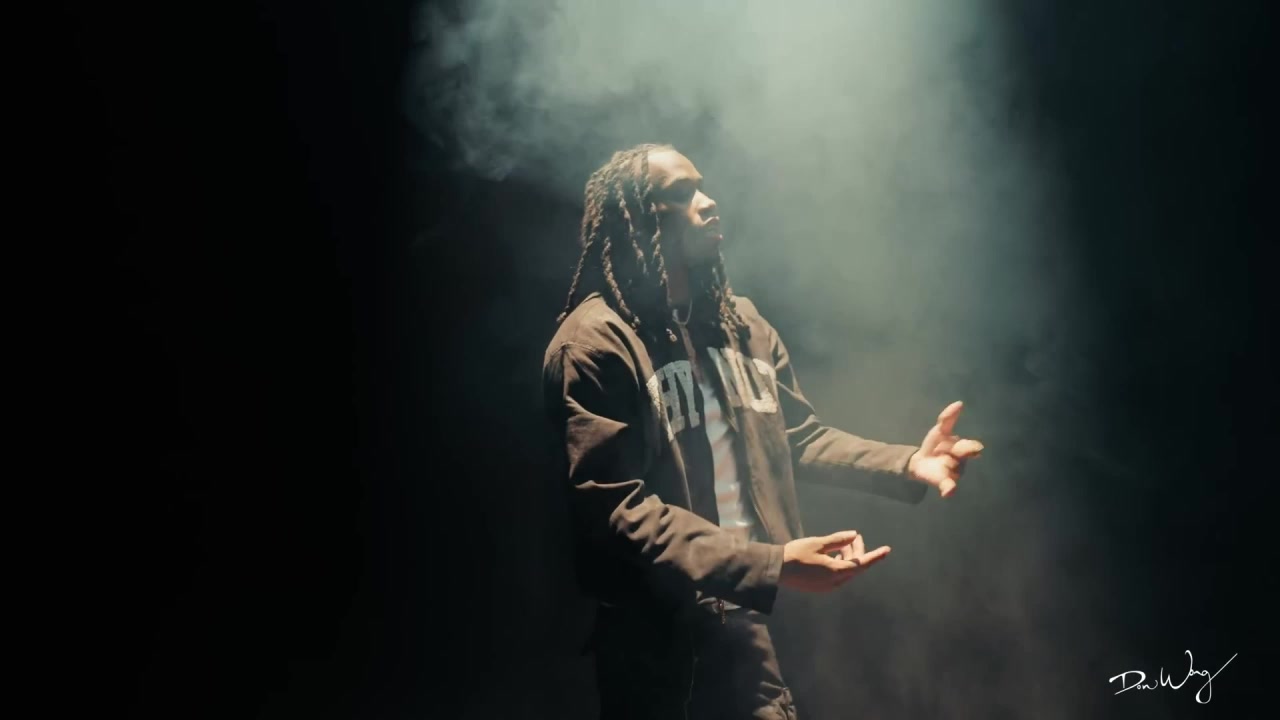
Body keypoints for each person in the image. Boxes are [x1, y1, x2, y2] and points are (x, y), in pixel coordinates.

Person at [541, 143, 984, 719]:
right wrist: (769, 566)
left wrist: (906, 463)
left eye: (703, 187)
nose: (708, 203)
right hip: (653, 643)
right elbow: (617, 512)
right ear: (635, 218)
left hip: (746, 626)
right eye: (681, 193)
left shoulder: (740, 324)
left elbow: (796, 437)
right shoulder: (593, 343)